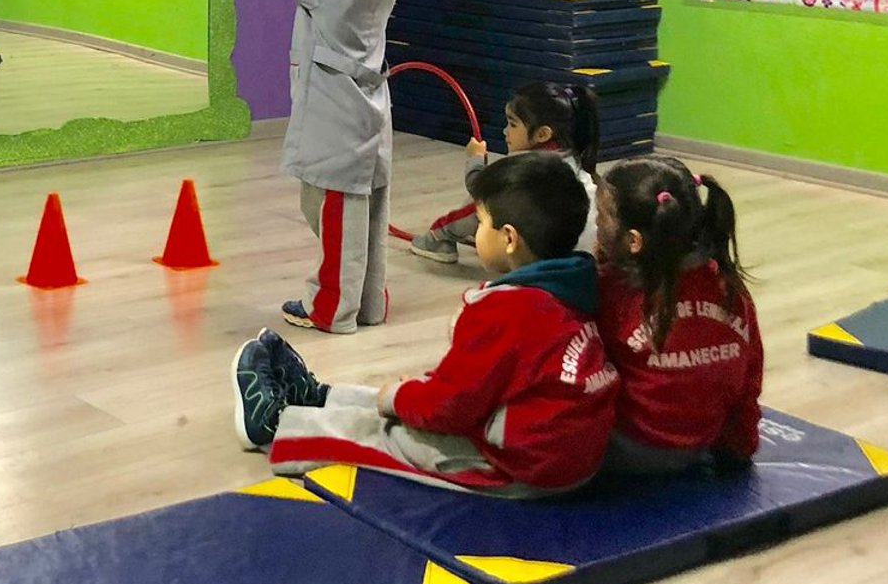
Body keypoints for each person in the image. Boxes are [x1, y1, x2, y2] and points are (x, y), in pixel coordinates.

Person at [232, 151, 617, 495]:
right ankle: (321, 397)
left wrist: (399, 400)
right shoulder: (573, 283)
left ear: (509, 239)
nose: (476, 231)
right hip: (560, 453)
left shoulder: (509, 311)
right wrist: (406, 396)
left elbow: (450, 406)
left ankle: (275, 427)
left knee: (389, 436)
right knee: (408, 397)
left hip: (519, 467)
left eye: (481, 222)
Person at [208, 0, 403, 335]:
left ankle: (332, 308)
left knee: (334, 212)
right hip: (370, 109)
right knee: (367, 212)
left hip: (338, 115)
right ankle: (367, 303)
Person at [595, 155, 763, 474]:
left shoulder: (612, 290)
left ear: (633, 241)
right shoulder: (728, 286)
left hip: (628, 451)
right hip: (700, 443)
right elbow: (749, 375)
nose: (597, 225)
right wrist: (741, 446)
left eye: (602, 218)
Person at [406, 81, 601, 263]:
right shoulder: (572, 157)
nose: (505, 131)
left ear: (542, 134)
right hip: (584, 255)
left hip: (548, 256)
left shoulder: (529, 167)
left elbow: (479, 188)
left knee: (483, 204)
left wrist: (475, 158)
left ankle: (438, 237)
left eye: (513, 124)